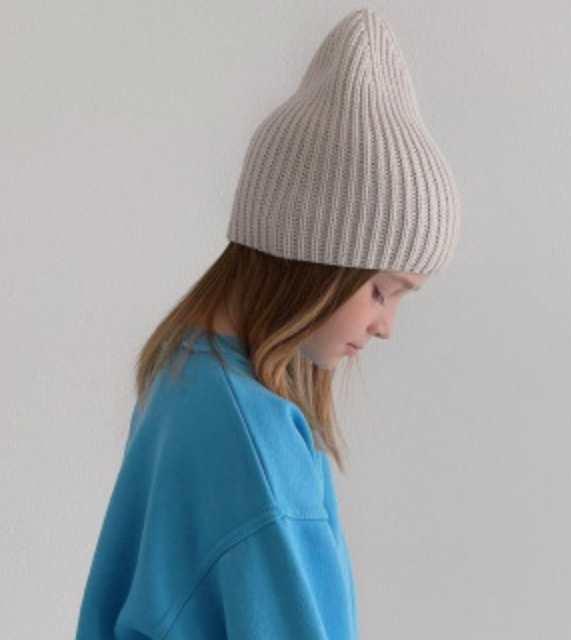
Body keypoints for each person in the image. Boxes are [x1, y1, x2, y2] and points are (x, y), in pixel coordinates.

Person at [75, 6, 461, 639]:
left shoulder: (183, 373)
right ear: (316, 258)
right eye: (379, 290)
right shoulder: (255, 443)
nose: (386, 325)